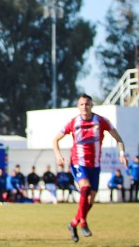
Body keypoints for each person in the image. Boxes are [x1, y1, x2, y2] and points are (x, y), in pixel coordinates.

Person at [53, 93, 128, 243]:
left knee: (91, 199)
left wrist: (122, 153)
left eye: (87, 104)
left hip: (95, 165)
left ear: (92, 105)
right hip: (78, 163)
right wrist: (58, 156)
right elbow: (55, 139)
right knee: (85, 188)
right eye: (81, 104)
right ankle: (84, 223)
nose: (84, 107)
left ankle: (73, 223)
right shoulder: (73, 123)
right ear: (78, 106)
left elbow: (119, 139)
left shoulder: (101, 121)